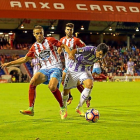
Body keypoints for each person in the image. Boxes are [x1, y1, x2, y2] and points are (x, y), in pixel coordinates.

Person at [1, 25, 67, 119]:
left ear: (43, 33)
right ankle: (31, 109)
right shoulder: (34, 47)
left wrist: (62, 48)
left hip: (56, 67)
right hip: (44, 69)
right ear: (34, 34)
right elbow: (24, 59)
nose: (39, 35)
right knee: (32, 81)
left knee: (52, 87)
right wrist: (9, 63)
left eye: (41, 33)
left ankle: (62, 107)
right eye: (37, 33)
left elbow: (61, 45)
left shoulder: (50, 40)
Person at [61, 43, 108, 119]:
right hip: (74, 68)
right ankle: (63, 108)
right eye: (100, 54)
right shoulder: (89, 49)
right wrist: (71, 55)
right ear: (97, 50)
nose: (100, 57)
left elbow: (101, 58)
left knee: (89, 85)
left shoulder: (100, 56)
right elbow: (74, 51)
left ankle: (79, 107)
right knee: (66, 91)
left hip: (85, 70)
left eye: (103, 55)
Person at [59, 23, 91, 107]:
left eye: (71, 30)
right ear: (65, 30)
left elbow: (85, 47)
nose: (69, 31)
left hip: (74, 65)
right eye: (68, 29)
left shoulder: (76, 40)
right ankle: (86, 97)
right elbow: (60, 47)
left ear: (73, 31)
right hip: (67, 65)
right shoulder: (62, 40)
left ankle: (69, 96)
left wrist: (77, 53)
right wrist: (59, 49)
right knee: (76, 84)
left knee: (63, 78)